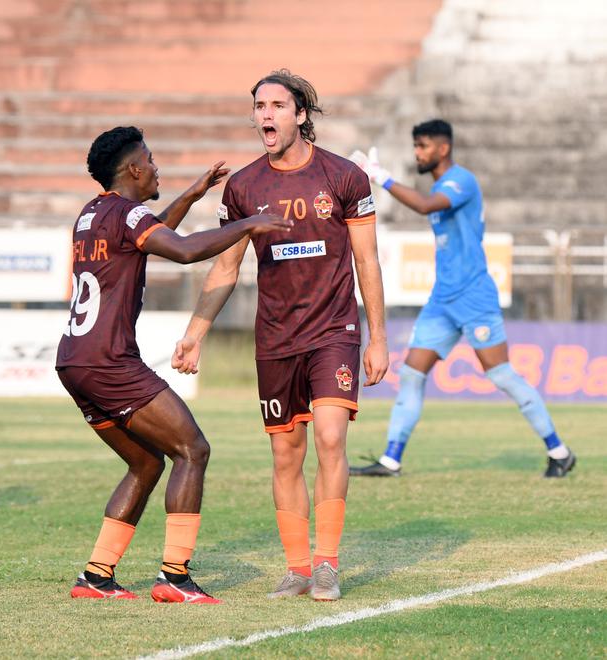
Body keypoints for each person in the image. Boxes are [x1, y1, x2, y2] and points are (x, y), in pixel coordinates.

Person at [171, 70, 389, 601]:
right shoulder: (244, 187)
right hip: (274, 337)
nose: (265, 114)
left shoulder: (343, 177)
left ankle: (327, 564)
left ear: (300, 115)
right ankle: (296, 569)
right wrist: (195, 334)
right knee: (286, 454)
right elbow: (224, 270)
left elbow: (367, 260)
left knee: (331, 438)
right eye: (259, 106)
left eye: (276, 105)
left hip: (334, 331)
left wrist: (377, 338)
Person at [56, 126, 291, 602]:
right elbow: (182, 252)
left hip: (74, 361)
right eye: (151, 158)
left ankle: (97, 576)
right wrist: (245, 225)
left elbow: (155, 230)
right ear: (134, 169)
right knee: (193, 450)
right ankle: (174, 577)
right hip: (109, 361)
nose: (156, 165)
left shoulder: (93, 213)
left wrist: (191, 195)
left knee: (145, 463)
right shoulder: (128, 214)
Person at [349, 119, 576, 479]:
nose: (417, 153)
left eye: (422, 146)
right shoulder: (442, 184)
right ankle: (391, 460)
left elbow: (425, 205)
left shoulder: (461, 181)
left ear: (443, 148)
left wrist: (380, 176)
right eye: (416, 146)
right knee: (411, 374)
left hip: (474, 296)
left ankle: (559, 451)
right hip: (443, 300)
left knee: (501, 374)